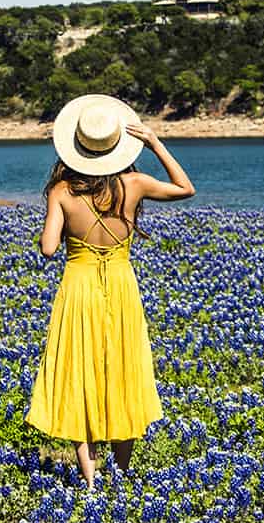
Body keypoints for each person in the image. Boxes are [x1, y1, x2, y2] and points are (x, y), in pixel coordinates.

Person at [27, 93, 195, 490]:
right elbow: (185, 188)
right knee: (123, 374)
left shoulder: (62, 192)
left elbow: (49, 249)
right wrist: (155, 143)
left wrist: (58, 222)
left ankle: (89, 484)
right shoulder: (134, 183)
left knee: (80, 377)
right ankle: (120, 476)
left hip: (78, 289)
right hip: (121, 288)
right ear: (119, 146)